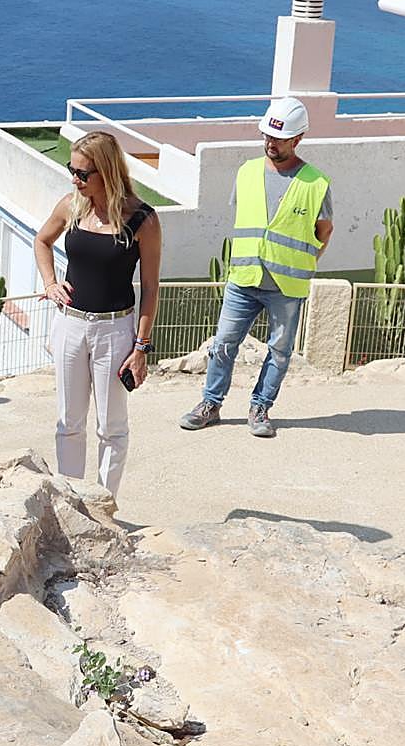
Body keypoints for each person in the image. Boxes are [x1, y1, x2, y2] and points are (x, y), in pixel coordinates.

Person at [179, 97, 333, 437]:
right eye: (267, 136)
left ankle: (260, 407)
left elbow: (324, 232)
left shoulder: (316, 183)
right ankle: (210, 404)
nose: (270, 143)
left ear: (298, 138)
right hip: (244, 278)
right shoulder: (247, 172)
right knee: (223, 344)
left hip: (286, 285)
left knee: (279, 351)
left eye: (279, 138)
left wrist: (304, 264)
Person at [33, 131, 161, 496]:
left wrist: (141, 347)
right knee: (68, 423)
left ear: (107, 171)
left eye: (82, 173)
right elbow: (42, 241)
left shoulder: (143, 220)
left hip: (115, 330)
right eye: (71, 170)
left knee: (112, 427)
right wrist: (50, 283)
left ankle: (104, 506)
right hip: (70, 325)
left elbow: (151, 287)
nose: (74, 179)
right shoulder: (71, 206)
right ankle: (71, 499)